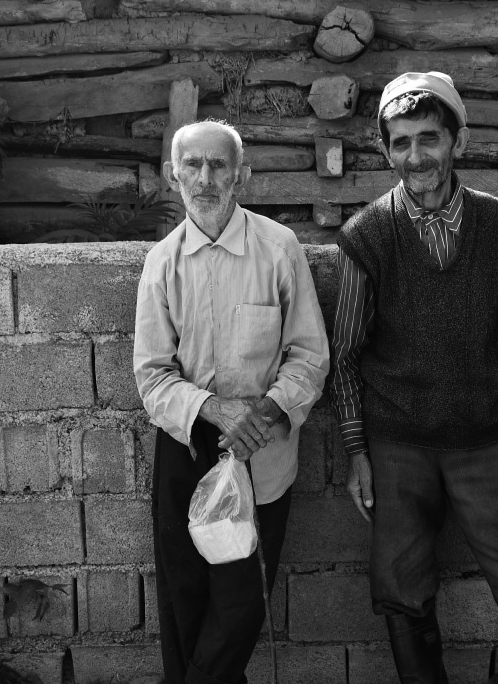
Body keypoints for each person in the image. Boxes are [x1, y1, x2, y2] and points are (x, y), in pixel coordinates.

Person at [331, 72, 498, 684]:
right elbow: (347, 352)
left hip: (488, 442)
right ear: (386, 151)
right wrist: (358, 450)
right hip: (398, 445)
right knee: (401, 590)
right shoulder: (367, 236)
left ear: (457, 139)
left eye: (429, 138)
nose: (417, 156)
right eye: (401, 143)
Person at [134, 120, 330, 684]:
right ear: (174, 177)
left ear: (242, 174)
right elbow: (152, 376)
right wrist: (216, 410)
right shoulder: (162, 264)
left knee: (239, 609)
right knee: (184, 604)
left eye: (219, 165)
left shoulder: (278, 249)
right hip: (186, 451)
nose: (205, 177)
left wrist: (264, 413)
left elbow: (309, 355)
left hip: (262, 456)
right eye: (192, 165)